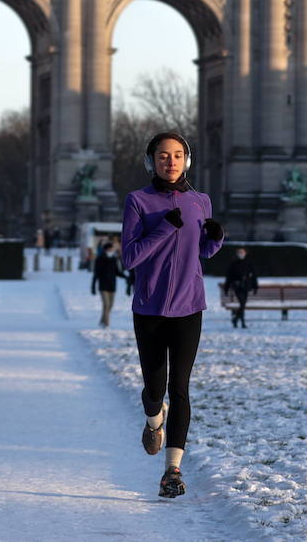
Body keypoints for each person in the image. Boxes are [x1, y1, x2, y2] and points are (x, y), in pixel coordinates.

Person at [121, 131, 225, 499]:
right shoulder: (138, 201)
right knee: (155, 389)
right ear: (152, 161)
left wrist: (214, 238)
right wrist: (166, 226)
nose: (171, 161)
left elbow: (203, 253)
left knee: (180, 389)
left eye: (178, 155)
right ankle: (153, 420)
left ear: (187, 160)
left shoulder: (201, 201)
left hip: (189, 306)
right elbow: (130, 257)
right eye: (163, 155)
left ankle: (173, 471)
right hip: (149, 308)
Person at [91, 241, 122, 327]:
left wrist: (126, 277)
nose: (111, 250)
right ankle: (106, 324)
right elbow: (96, 273)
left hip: (112, 286)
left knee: (110, 305)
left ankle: (102, 321)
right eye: (109, 249)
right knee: (106, 305)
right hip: (103, 286)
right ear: (105, 250)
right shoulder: (99, 259)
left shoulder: (114, 259)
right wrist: (93, 286)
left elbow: (117, 272)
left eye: (112, 249)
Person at [225, 247, 258, 328]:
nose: (241, 254)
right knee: (242, 304)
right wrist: (227, 287)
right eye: (239, 252)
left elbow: (254, 275)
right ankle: (242, 322)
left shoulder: (249, 263)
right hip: (237, 287)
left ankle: (236, 319)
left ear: (245, 253)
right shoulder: (233, 263)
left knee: (242, 304)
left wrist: (255, 286)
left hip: (246, 286)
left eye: (242, 252)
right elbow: (229, 276)